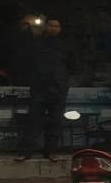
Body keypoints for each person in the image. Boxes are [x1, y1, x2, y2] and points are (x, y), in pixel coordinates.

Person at [17, 16, 71, 161]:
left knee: (56, 121)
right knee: (34, 120)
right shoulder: (36, 44)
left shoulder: (64, 45)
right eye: (51, 25)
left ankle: (50, 151)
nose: (53, 28)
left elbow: (73, 65)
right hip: (39, 88)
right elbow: (26, 62)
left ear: (60, 29)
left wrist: (63, 80)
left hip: (58, 88)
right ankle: (26, 152)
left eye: (56, 26)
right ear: (46, 27)